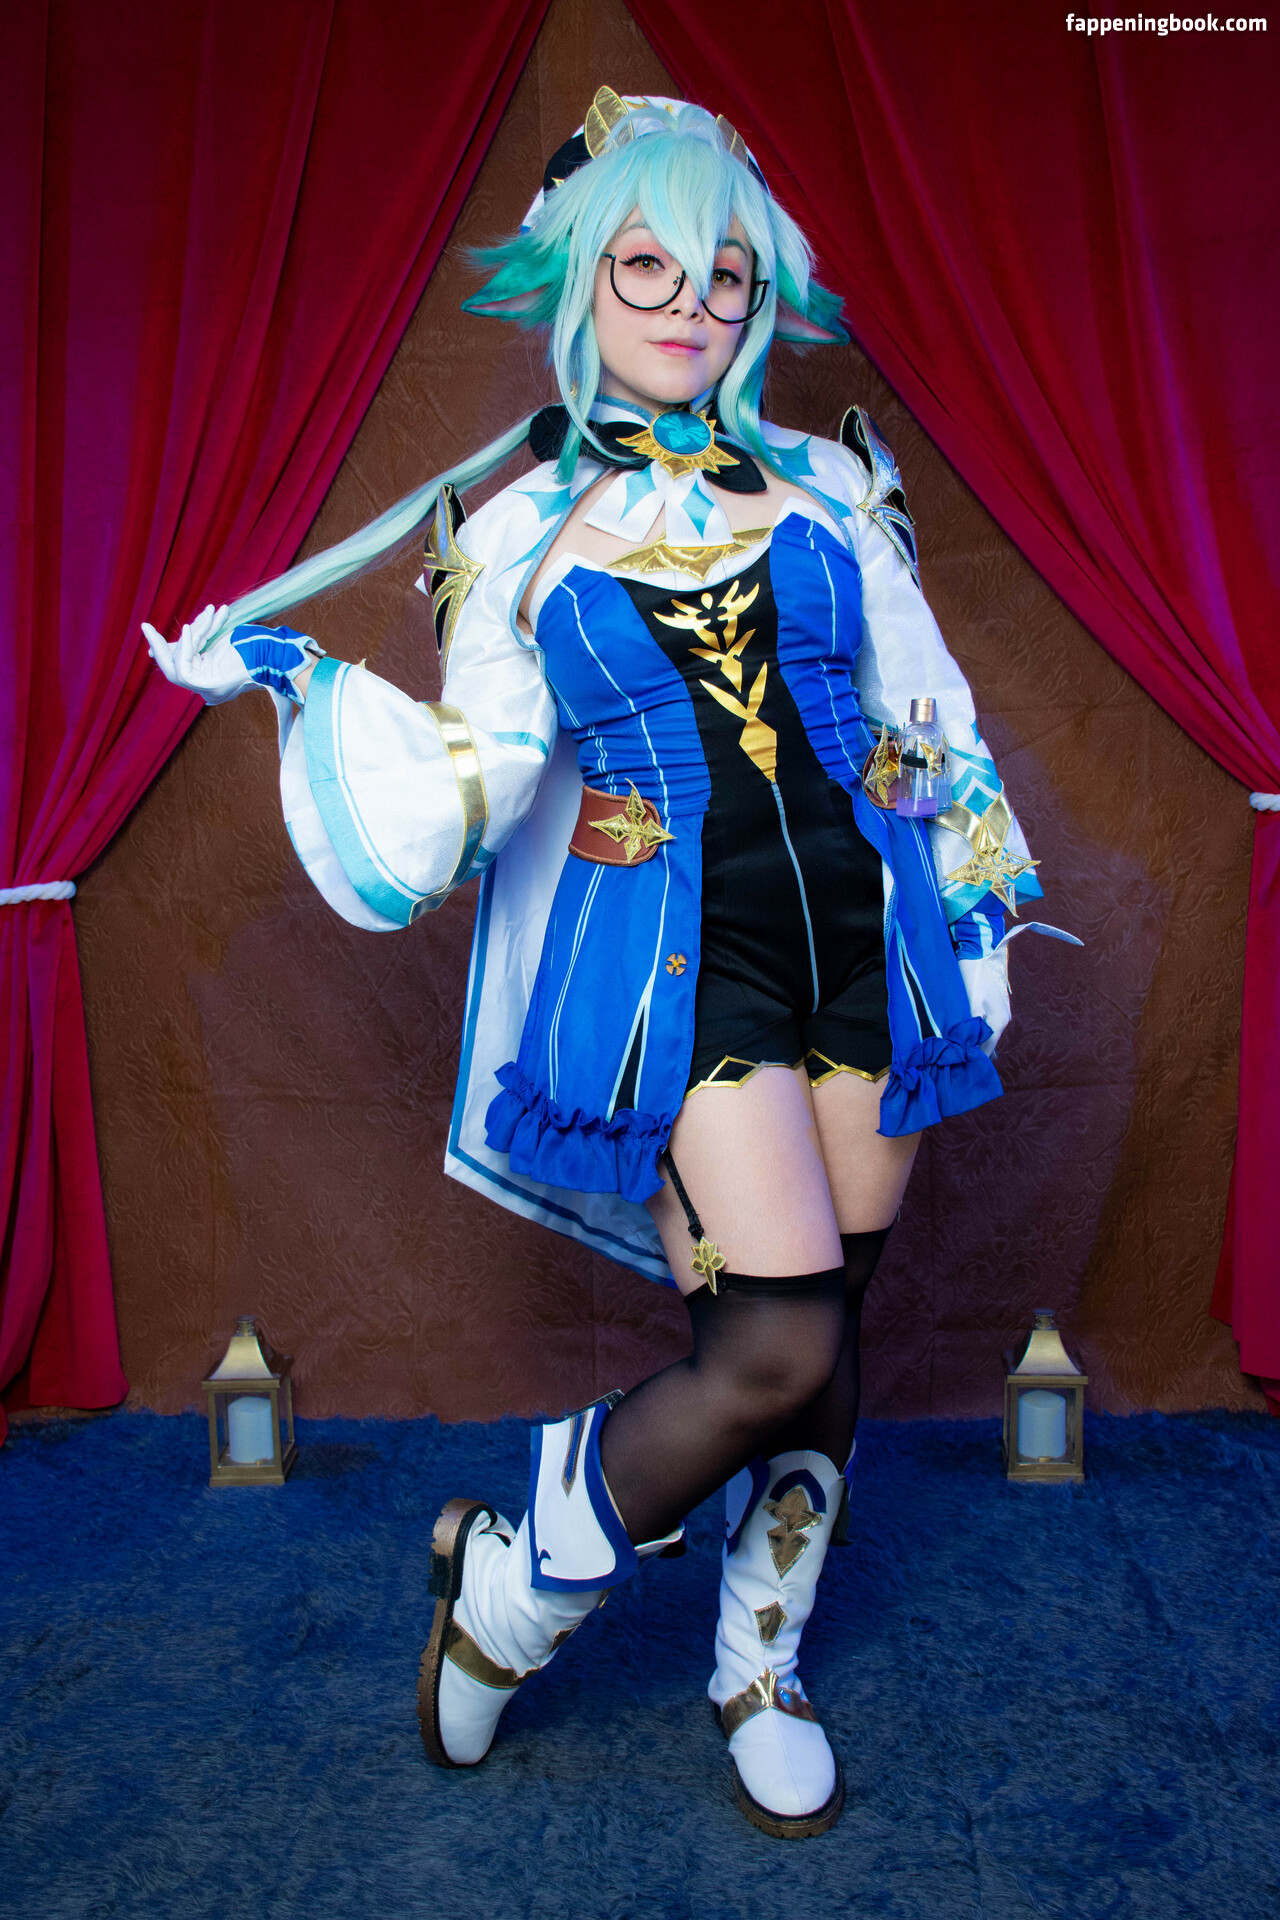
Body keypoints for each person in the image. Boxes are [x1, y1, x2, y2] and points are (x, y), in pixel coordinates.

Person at [146, 90, 1058, 1840]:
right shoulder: (512, 534)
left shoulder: (831, 488)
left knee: (824, 1342)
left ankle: (757, 1662)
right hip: (672, 968)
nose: (691, 305)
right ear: (583, 278)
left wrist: (977, 920)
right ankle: (514, 1590)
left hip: (869, 947)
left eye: (725, 274)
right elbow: (476, 788)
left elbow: (923, 716)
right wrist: (295, 679)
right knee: (774, 1346)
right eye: (648, 265)